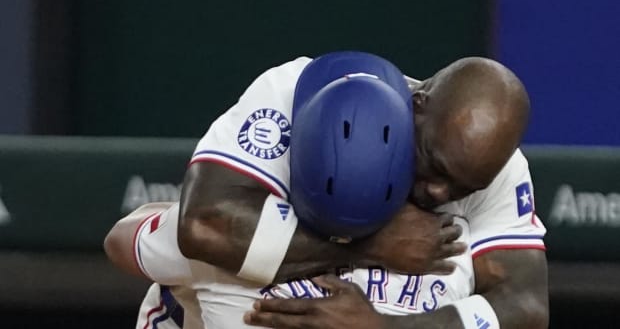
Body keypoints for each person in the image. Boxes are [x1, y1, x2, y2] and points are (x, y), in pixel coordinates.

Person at [108, 52, 548, 328]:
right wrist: (368, 248)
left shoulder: (462, 243)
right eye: (433, 165)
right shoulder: (298, 100)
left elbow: (524, 308)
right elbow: (152, 234)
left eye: (461, 188)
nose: (437, 192)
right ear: (416, 105)